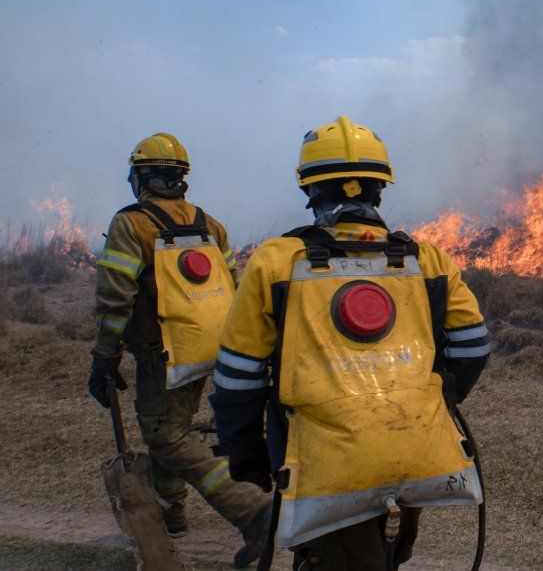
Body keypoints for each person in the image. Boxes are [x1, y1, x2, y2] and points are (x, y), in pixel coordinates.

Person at [210, 116, 490, 569]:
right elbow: (473, 347)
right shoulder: (428, 260)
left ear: (309, 190)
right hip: (415, 444)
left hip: (324, 462)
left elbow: (239, 375)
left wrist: (244, 448)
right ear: (381, 188)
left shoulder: (277, 262)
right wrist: (434, 396)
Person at [88, 133, 272, 567]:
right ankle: (172, 510)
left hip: (163, 349)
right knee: (172, 423)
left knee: (166, 436)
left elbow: (116, 297)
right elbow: (234, 289)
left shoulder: (130, 224)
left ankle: (253, 510)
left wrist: (104, 354)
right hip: (211, 344)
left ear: (141, 178)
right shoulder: (210, 224)